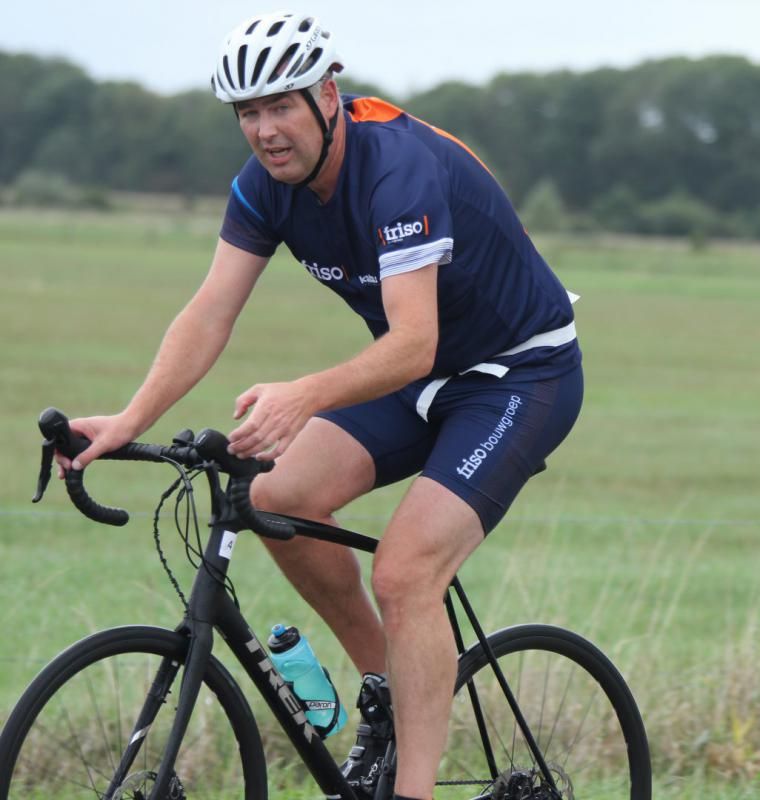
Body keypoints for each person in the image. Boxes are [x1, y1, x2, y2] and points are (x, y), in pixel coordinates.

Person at [57, 11, 584, 800]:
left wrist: (304, 395)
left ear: (326, 94)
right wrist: (130, 419)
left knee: (406, 574)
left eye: (280, 106)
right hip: (424, 373)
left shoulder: (396, 168)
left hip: (518, 376)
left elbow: (410, 342)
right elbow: (210, 312)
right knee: (278, 496)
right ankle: (390, 688)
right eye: (247, 113)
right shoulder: (267, 188)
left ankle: (412, 791)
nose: (265, 131)